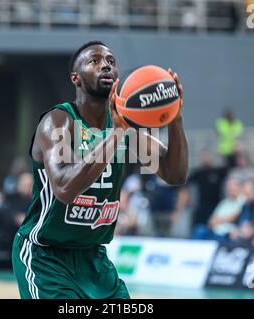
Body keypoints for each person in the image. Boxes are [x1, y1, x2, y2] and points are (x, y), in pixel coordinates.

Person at [11, 41, 188, 299]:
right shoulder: (60, 121)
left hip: (94, 259)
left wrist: (174, 117)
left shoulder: (128, 129)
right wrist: (116, 132)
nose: (106, 65)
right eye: (94, 61)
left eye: (112, 62)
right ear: (76, 78)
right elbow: (64, 188)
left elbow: (175, 174)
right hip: (45, 256)